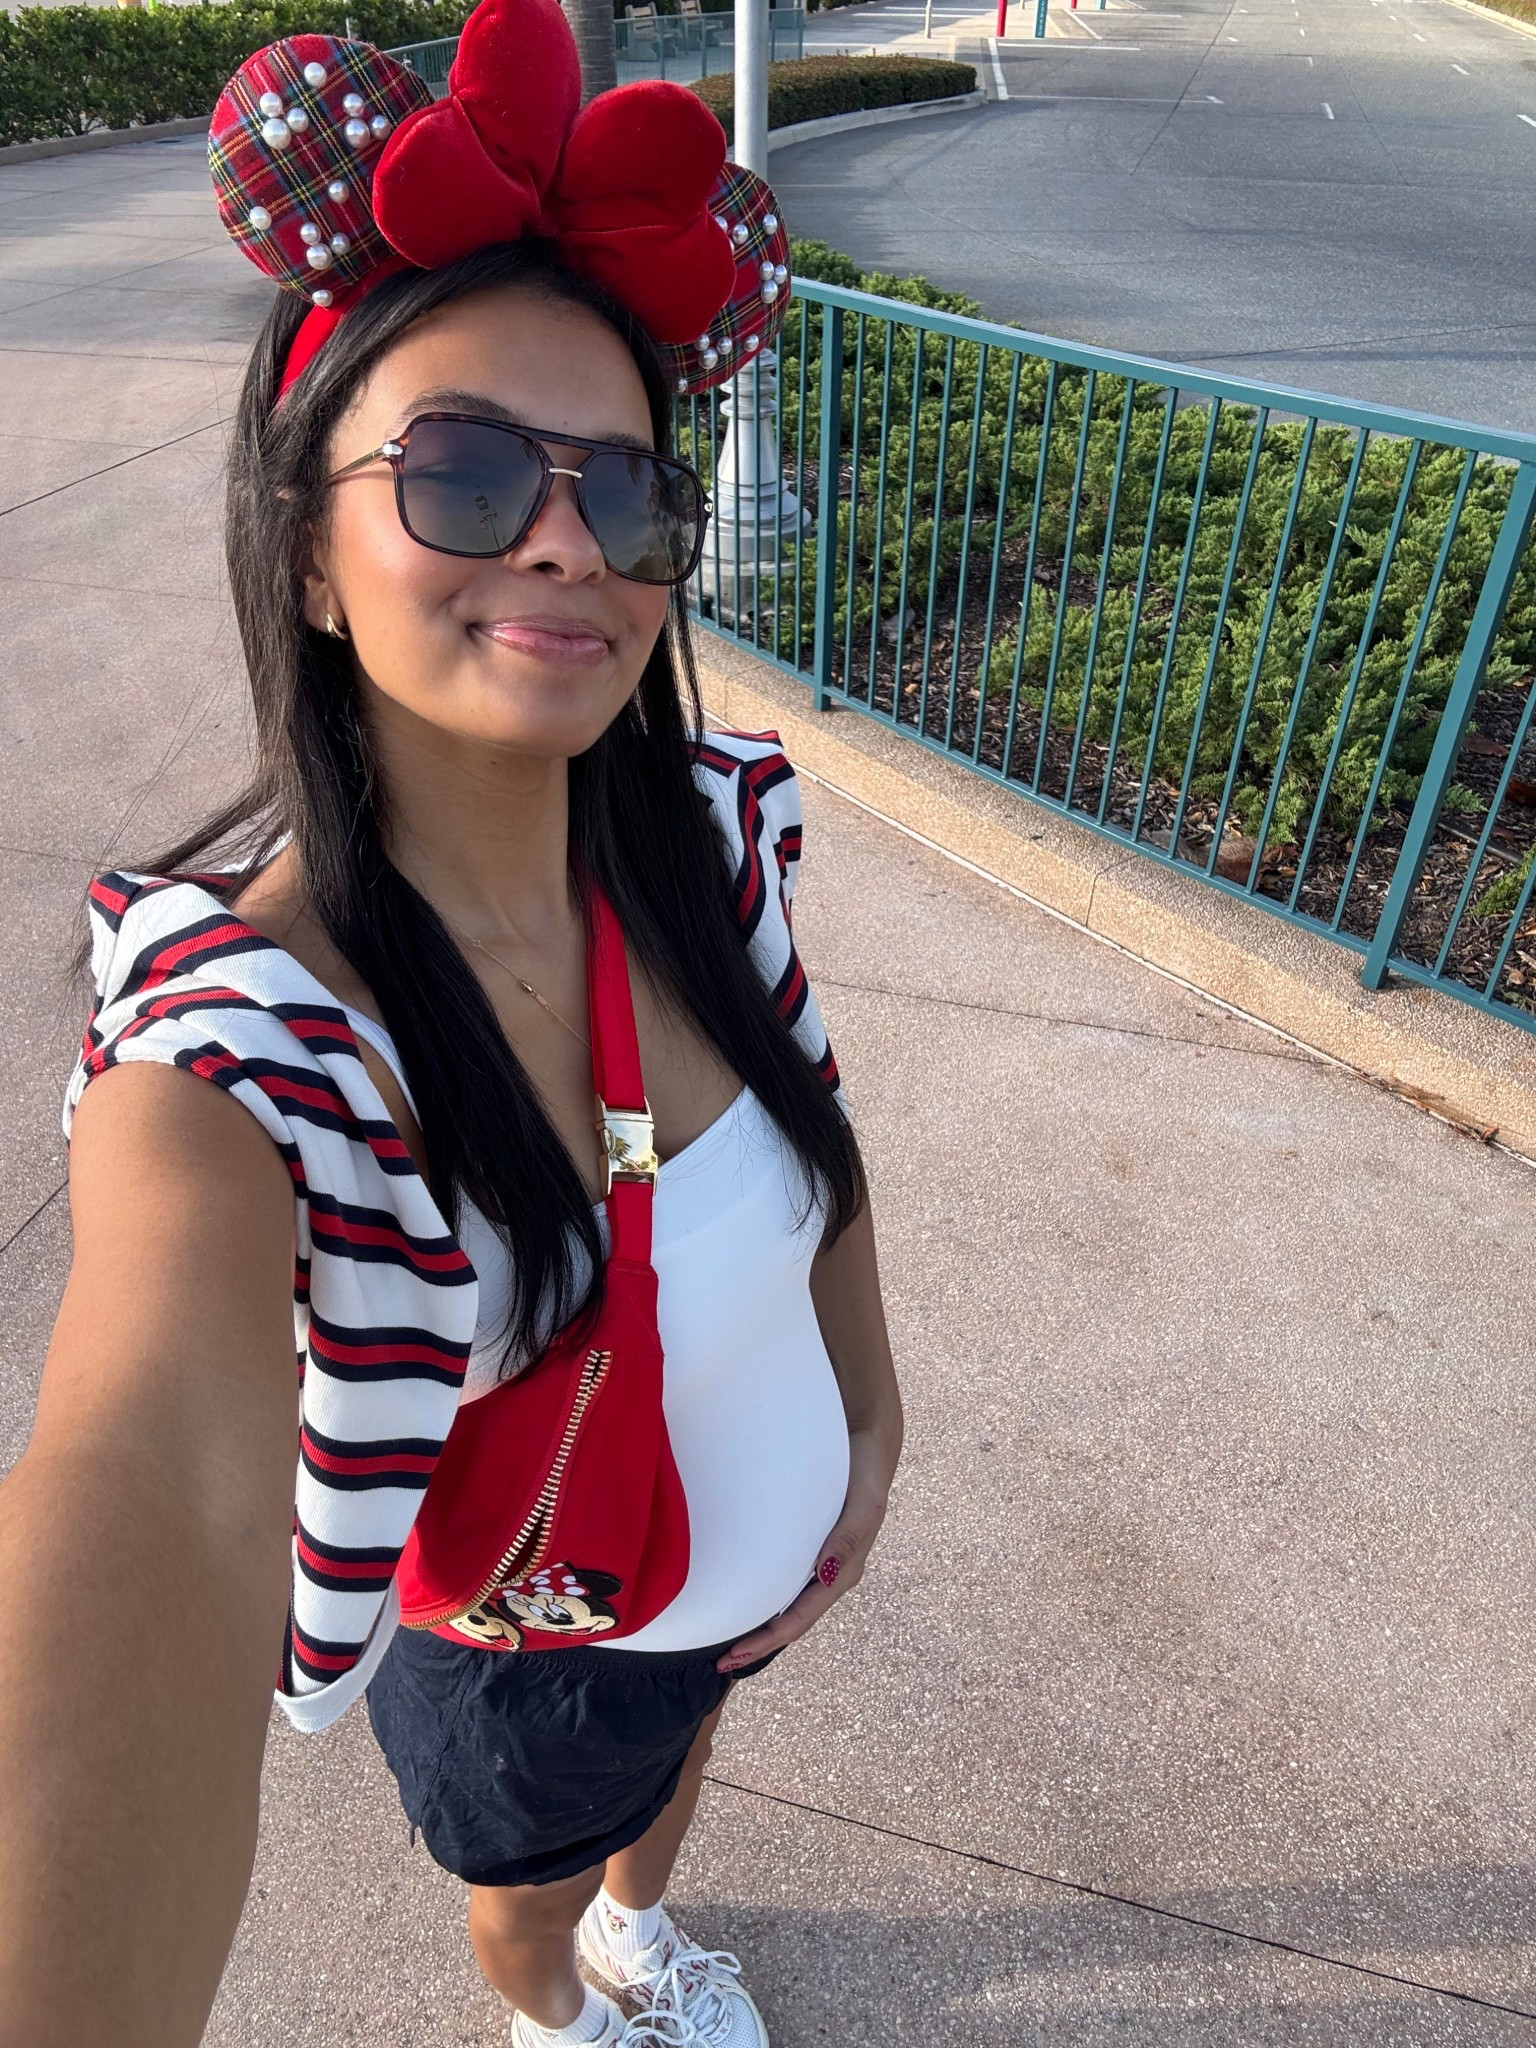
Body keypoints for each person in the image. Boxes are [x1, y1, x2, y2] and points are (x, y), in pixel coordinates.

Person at [0, 7, 902, 2046]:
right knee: (526, 1887)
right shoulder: (247, 1061)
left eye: (626, 489)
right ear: (311, 557)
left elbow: (818, 1134)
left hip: (734, 1591)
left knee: (670, 1772)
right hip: (527, 1646)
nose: (570, 538)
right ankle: (557, 2013)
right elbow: (151, 1483)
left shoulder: (705, 843)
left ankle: (639, 1934)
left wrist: (871, 1418)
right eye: (469, 473)